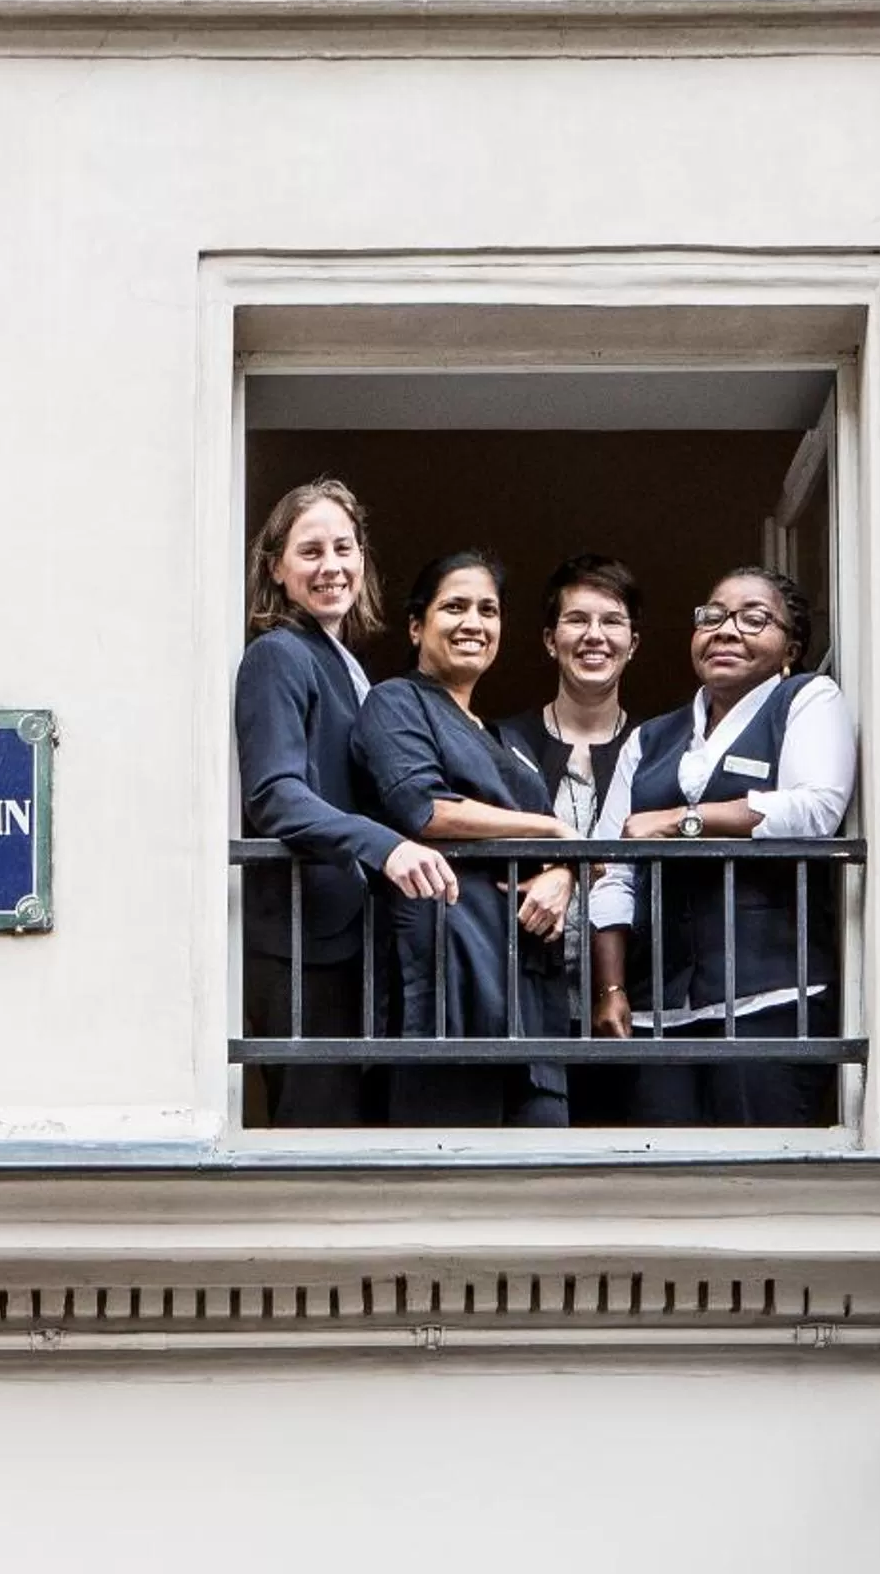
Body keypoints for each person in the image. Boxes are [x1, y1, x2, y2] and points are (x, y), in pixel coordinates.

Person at [586, 566, 856, 1127]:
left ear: (791, 647)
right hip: (659, 1008)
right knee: (662, 1187)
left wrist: (681, 821)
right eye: (712, 616)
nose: (726, 630)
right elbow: (611, 867)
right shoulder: (651, 739)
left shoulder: (805, 699)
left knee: (759, 1181)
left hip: (772, 1000)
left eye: (754, 619)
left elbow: (813, 809)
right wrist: (610, 986)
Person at [234, 478, 457, 1126]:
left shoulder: (344, 663)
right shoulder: (277, 655)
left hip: (351, 939)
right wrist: (384, 847)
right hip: (302, 944)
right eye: (309, 552)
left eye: (343, 547)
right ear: (276, 568)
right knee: (315, 1124)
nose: (330, 566)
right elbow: (274, 796)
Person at [350, 552, 575, 1128]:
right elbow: (424, 808)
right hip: (450, 951)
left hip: (527, 972)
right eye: (455, 607)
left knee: (543, 1164)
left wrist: (563, 871)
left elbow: (553, 843)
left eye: (488, 610)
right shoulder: (396, 702)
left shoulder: (502, 740)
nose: (474, 622)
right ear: (416, 625)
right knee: (452, 1159)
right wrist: (552, 831)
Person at [495, 554, 643, 1121]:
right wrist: (578, 864)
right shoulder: (502, 742)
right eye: (577, 620)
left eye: (612, 620)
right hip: (528, 998)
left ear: (635, 643)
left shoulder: (660, 750)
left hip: (635, 998)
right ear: (548, 639)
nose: (594, 635)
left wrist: (572, 867)